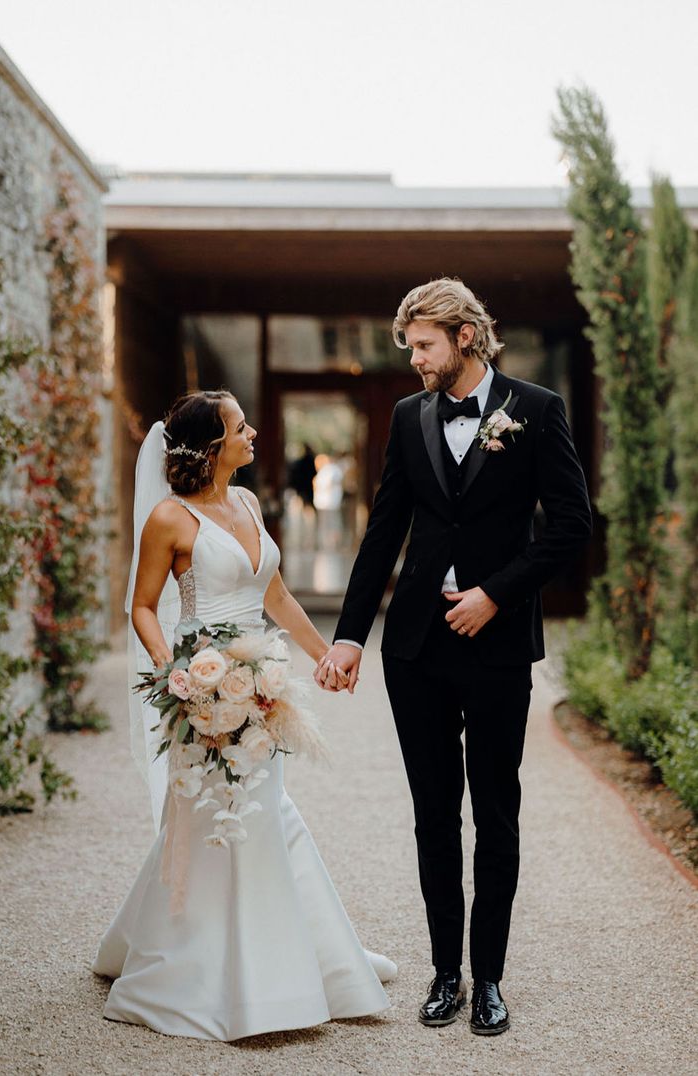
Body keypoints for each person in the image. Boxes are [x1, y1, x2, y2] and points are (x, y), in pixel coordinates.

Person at [316, 278, 592, 1036]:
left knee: (495, 812)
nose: (415, 358)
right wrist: (348, 634)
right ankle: (446, 974)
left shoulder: (537, 411)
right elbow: (384, 531)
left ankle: (492, 979)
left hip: (497, 644)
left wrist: (496, 594)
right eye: (411, 346)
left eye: (424, 344)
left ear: (467, 337)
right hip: (415, 648)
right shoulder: (410, 417)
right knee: (433, 816)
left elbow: (572, 526)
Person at [92, 389, 396, 1041]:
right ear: (210, 447)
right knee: (210, 817)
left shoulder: (250, 503)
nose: (253, 433)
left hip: (261, 682)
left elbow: (276, 593)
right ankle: (206, 967)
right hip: (200, 687)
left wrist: (329, 657)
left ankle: (292, 953)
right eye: (239, 426)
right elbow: (144, 606)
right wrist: (176, 668)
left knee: (263, 808)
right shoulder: (170, 520)